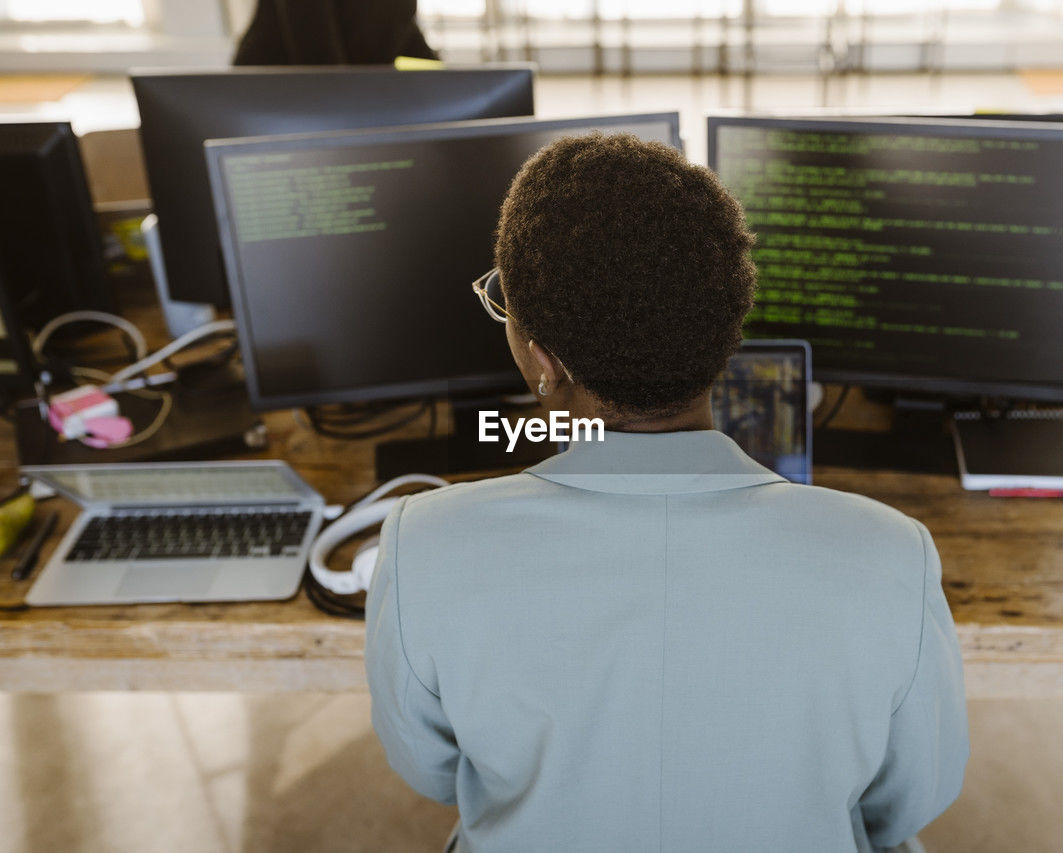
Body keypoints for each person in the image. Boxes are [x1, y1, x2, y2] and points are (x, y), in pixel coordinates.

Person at [365, 133, 968, 852]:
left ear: (542, 361)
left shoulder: (422, 543)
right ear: (725, 336)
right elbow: (907, 803)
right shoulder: (893, 554)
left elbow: (433, 771)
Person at [232, 0, 438, 66]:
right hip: (278, 93)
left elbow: (401, 28)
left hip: (347, 91)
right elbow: (314, 45)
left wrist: (448, 81)